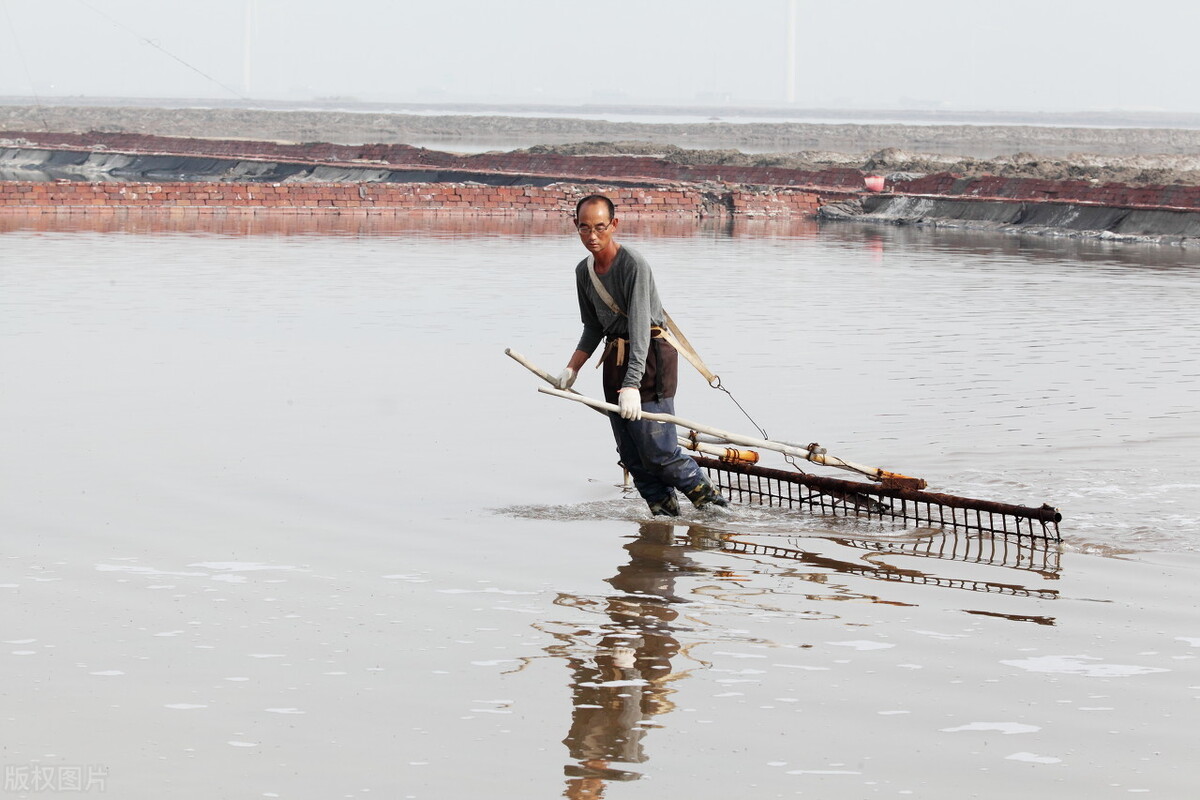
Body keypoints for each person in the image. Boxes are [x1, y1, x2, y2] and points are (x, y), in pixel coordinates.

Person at [556, 194, 727, 517]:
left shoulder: (632, 264)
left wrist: (632, 384)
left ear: (614, 226)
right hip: (615, 359)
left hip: (650, 359)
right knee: (632, 454)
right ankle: (662, 521)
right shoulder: (584, 271)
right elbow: (593, 327)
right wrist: (572, 369)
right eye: (584, 228)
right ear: (576, 227)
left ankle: (717, 512)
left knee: (659, 450)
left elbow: (638, 327)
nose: (592, 236)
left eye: (600, 228)